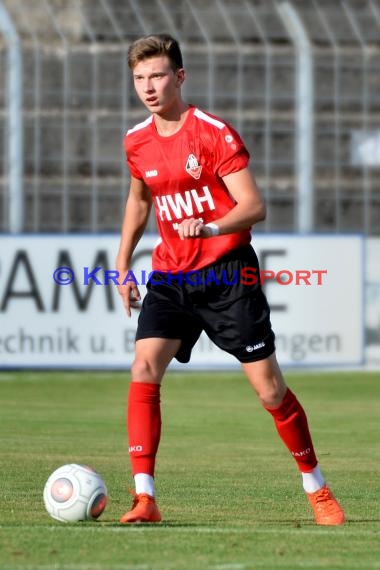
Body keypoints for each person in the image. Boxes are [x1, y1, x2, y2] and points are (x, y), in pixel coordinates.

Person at [116, 33, 345, 526]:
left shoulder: (213, 133)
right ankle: (144, 497)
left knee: (269, 390)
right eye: (139, 78)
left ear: (179, 76)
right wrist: (122, 263)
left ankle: (317, 488)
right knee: (143, 366)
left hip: (227, 276)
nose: (148, 87)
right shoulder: (136, 140)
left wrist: (214, 226)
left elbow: (254, 205)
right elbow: (140, 200)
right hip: (171, 278)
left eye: (157, 75)